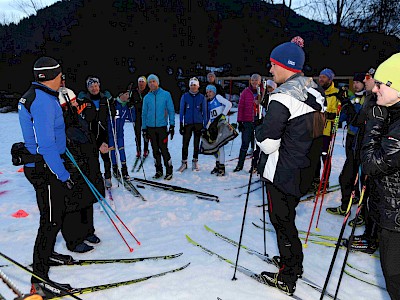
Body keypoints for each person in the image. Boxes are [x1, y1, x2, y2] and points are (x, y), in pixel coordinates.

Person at [256, 37, 325, 296]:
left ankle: (287, 275)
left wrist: (258, 130)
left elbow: (268, 143)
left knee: (281, 221)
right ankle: (293, 262)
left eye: (273, 65)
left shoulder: (282, 97)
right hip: (305, 169)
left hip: (282, 171)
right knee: (288, 220)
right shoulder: (314, 90)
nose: (270, 70)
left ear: (285, 66)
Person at [17, 56, 74, 294]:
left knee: (51, 216)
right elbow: (46, 146)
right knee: (50, 222)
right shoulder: (42, 101)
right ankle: (39, 281)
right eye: (60, 75)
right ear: (51, 77)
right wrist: (62, 174)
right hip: (47, 168)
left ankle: (48, 255)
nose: (63, 78)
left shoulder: (39, 95)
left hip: (42, 165)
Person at [361, 52, 400, 299]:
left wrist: (374, 126)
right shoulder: (393, 113)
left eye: (381, 84)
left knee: (395, 280)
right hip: (391, 214)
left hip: (396, 221)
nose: (375, 89)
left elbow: (372, 164)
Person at [58, 75, 102, 253]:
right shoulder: (60, 116)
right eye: (74, 103)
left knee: (87, 197)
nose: (77, 106)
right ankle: (73, 239)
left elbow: (88, 133)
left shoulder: (77, 116)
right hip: (72, 164)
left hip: (87, 162)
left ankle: (87, 231)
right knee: (73, 202)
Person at [326, 73, 366, 216]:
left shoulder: (366, 98)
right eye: (354, 82)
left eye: (358, 82)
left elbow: (360, 116)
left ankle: (356, 207)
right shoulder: (353, 97)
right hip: (351, 138)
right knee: (350, 173)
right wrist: (340, 106)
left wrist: (348, 104)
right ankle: (350, 199)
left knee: (353, 175)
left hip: (362, 140)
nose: (355, 85)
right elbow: (343, 115)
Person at [77, 76, 114, 188]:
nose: (94, 88)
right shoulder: (85, 100)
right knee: (93, 159)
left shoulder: (104, 99)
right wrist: (79, 101)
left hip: (103, 133)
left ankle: (107, 177)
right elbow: (77, 113)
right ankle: (96, 178)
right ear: (88, 88)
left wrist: (111, 100)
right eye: (91, 86)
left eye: (96, 86)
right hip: (90, 133)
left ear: (99, 86)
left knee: (106, 156)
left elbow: (112, 113)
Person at [142, 74, 175, 180]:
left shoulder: (166, 94)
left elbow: (171, 110)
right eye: (150, 82)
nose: (151, 84)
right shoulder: (147, 97)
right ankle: (158, 170)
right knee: (155, 150)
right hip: (150, 127)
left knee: (164, 149)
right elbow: (144, 113)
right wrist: (144, 128)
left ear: (157, 82)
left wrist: (172, 124)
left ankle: (169, 170)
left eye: (153, 81)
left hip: (162, 127)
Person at [311, 68, 339, 190]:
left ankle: (325, 181)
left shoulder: (336, 93)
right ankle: (315, 180)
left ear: (330, 79)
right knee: (314, 156)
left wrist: (327, 114)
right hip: (315, 130)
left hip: (327, 131)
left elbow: (337, 111)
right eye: (320, 76)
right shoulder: (316, 91)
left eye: (324, 77)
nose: (321, 79)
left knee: (325, 157)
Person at [234, 74, 263, 172]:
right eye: (253, 80)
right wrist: (239, 121)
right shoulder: (246, 92)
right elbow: (241, 107)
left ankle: (254, 166)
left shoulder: (263, 92)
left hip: (258, 122)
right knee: (244, 144)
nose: (254, 82)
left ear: (260, 81)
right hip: (247, 121)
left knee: (256, 146)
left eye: (256, 80)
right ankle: (240, 165)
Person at [177, 77, 208, 172]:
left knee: (196, 142)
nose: (193, 87)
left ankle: (195, 161)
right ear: (189, 86)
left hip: (198, 123)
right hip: (188, 123)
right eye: (191, 85)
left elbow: (205, 112)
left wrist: (205, 126)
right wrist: (181, 124)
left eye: (195, 85)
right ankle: (184, 162)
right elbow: (181, 111)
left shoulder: (202, 97)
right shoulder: (185, 96)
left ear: (198, 86)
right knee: (185, 143)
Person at [204, 84, 232, 176]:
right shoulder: (208, 102)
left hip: (220, 125)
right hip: (213, 126)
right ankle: (217, 164)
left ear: (214, 92)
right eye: (207, 92)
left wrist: (223, 115)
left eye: (210, 91)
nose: (209, 93)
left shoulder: (218, 97)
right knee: (215, 147)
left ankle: (222, 167)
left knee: (220, 147)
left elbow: (229, 104)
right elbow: (210, 116)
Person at [109, 91, 133, 181]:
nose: (128, 96)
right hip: (111, 132)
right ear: (120, 95)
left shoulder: (126, 106)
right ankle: (115, 168)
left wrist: (132, 108)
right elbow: (107, 118)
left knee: (121, 149)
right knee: (113, 151)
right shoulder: (114, 104)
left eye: (128, 94)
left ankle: (124, 169)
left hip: (120, 133)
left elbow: (131, 118)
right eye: (126, 94)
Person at [128, 76, 150, 160]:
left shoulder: (148, 91)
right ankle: (138, 151)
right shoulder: (134, 91)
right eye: (140, 82)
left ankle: (145, 150)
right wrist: (130, 104)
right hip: (137, 115)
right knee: (137, 134)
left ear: (145, 83)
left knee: (146, 134)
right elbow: (130, 101)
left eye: (142, 82)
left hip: (146, 116)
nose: (141, 83)